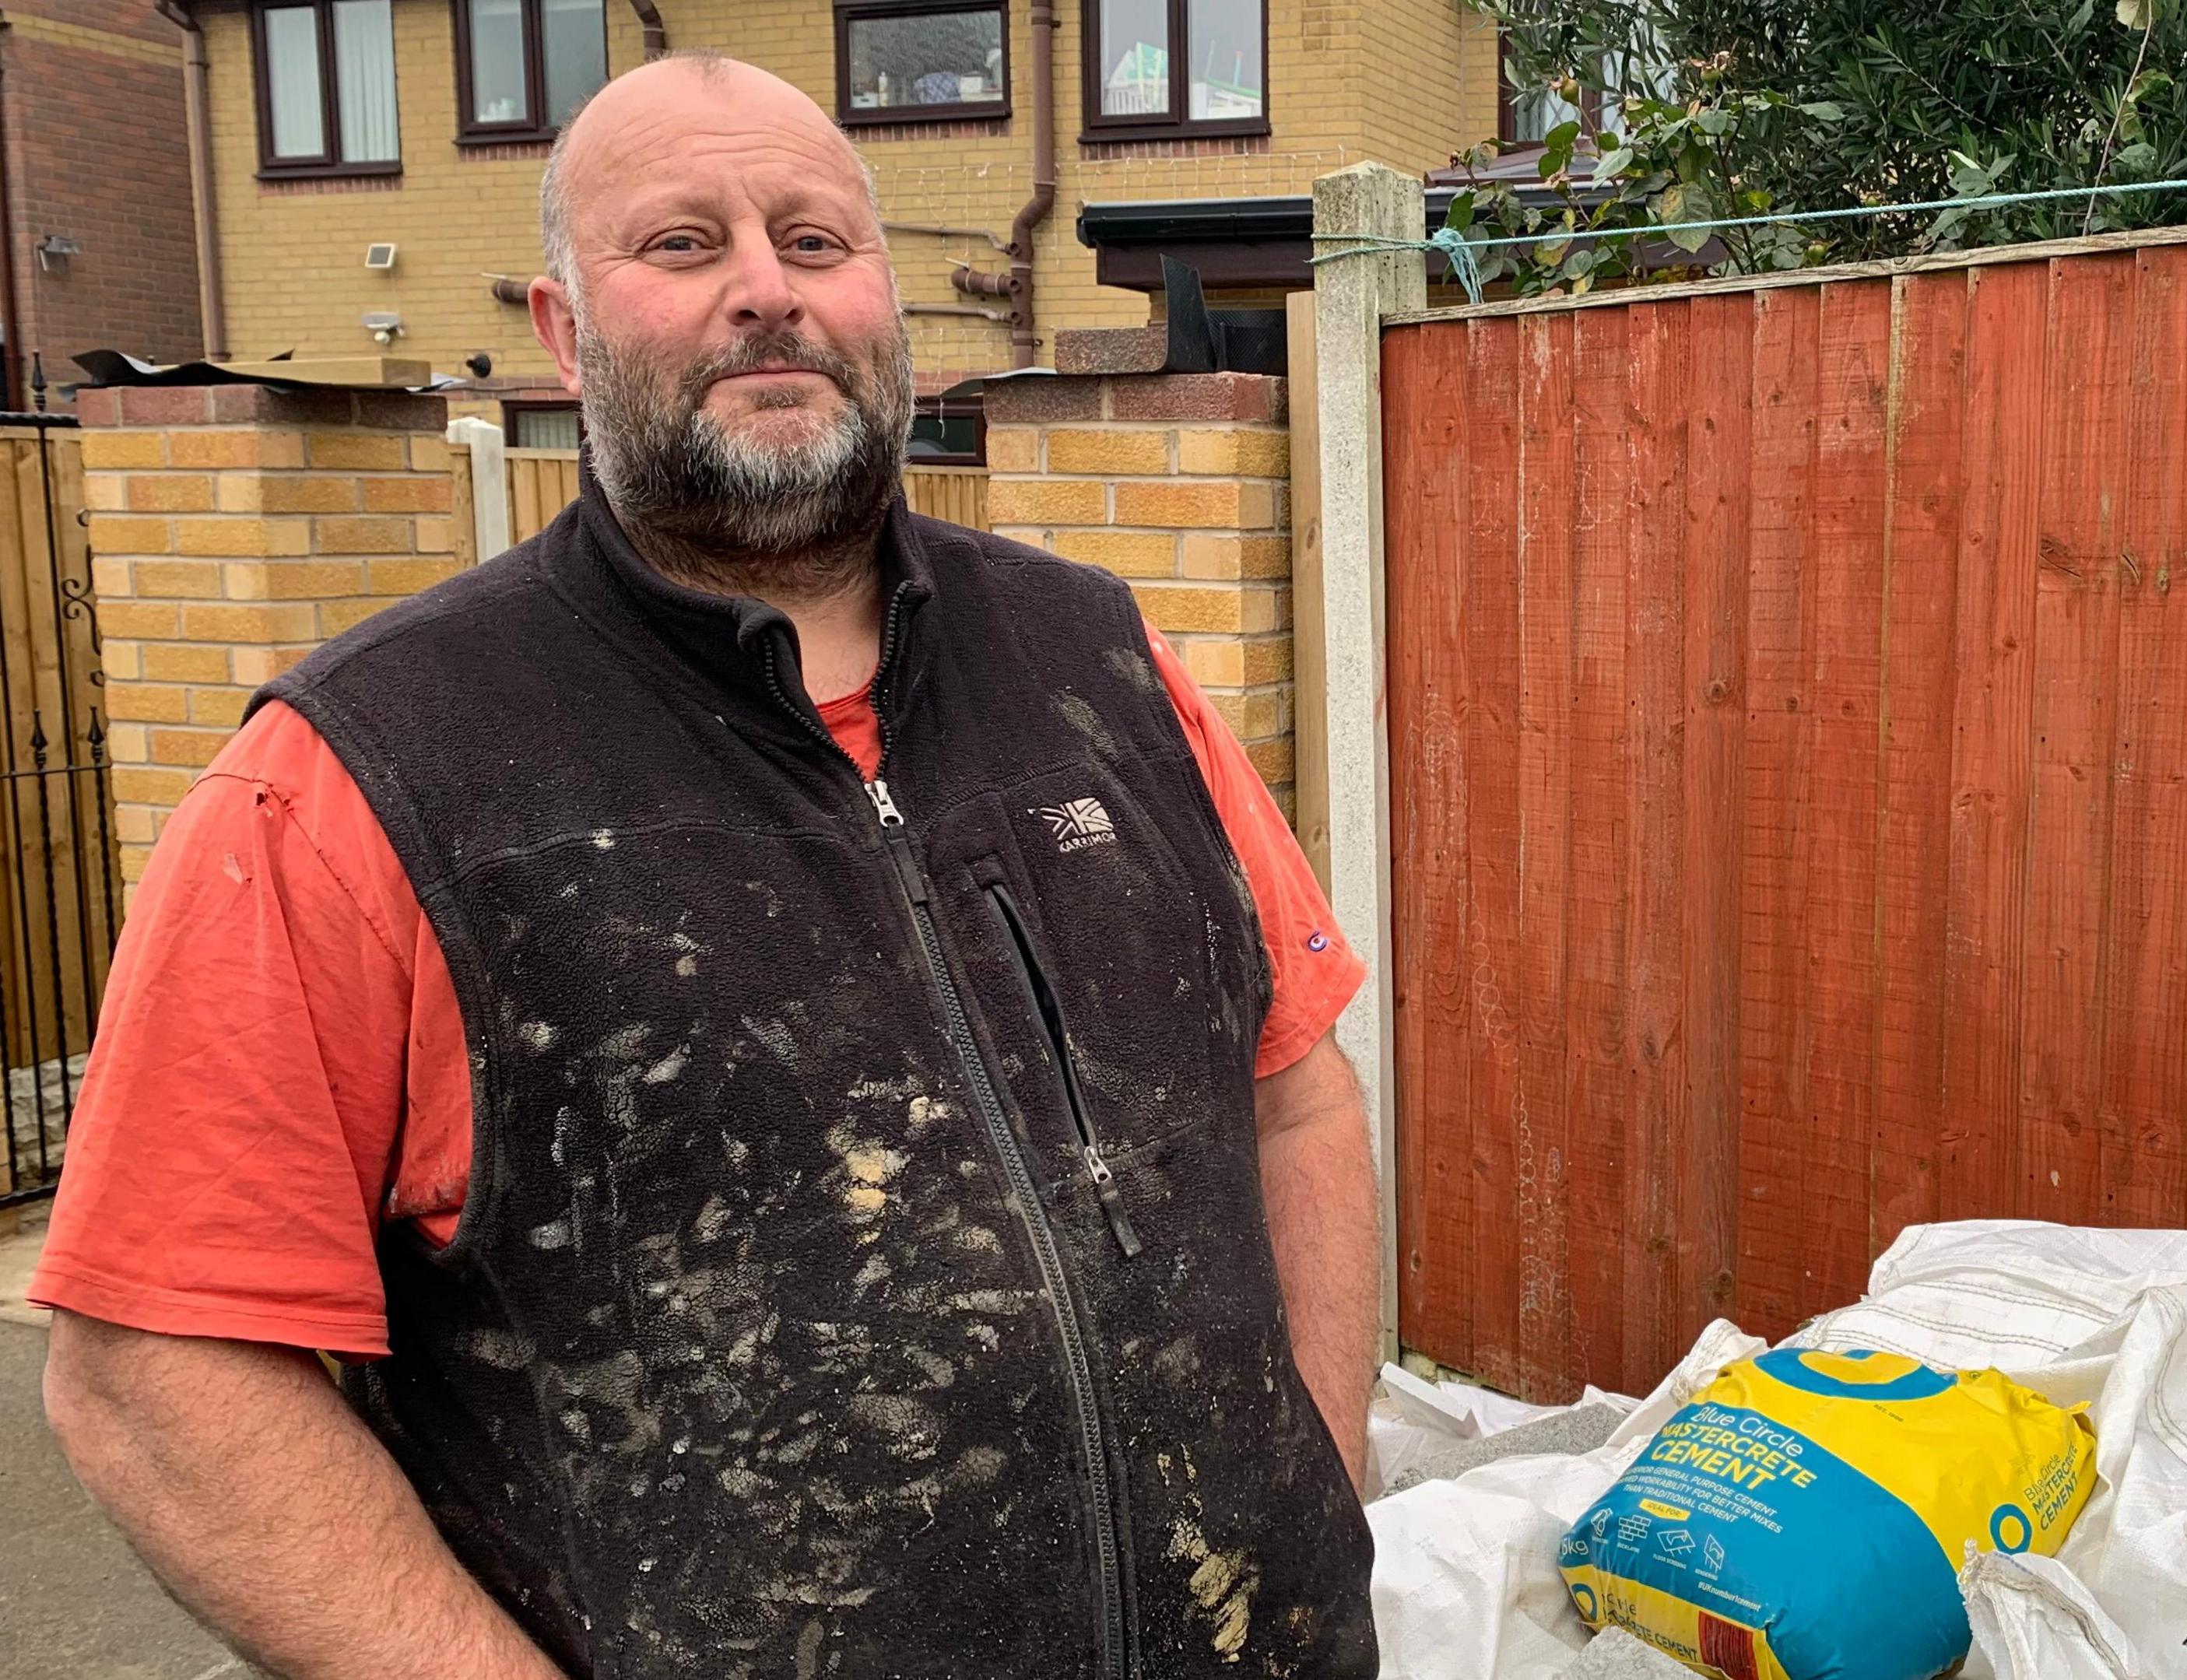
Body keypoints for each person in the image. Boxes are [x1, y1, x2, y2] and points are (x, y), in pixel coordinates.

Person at [35, 50, 1379, 1680]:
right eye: (683, 245)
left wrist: (1321, 1482)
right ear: (561, 326)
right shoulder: (358, 777)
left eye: (816, 241)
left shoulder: (1104, 667)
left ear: (887, 300)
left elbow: (1293, 1091)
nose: (766, 290)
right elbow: (156, 1364)